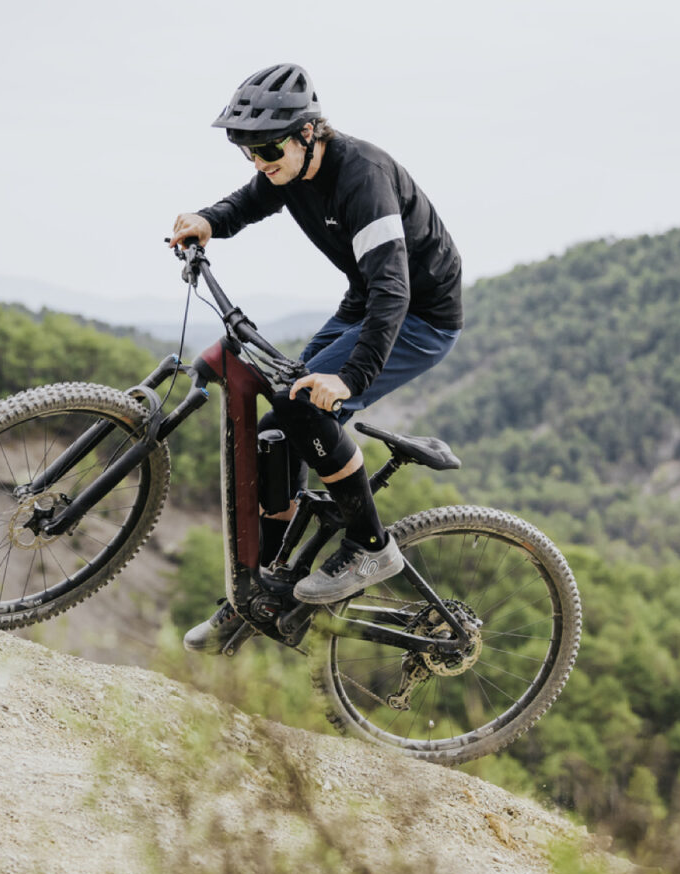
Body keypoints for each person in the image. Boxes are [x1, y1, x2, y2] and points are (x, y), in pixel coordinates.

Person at [172, 63, 463, 653]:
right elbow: (252, 200)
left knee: (306, 406)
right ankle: (261, 590)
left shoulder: (363, 178)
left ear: (309, 132)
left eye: (267, 149)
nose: (258, 161)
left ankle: (371, 548)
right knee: (277, 430)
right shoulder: (287, 168)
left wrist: (349, 377)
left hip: (418, 316)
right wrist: (209, 221)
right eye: (246, 150)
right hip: (365, 303)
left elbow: (394, 291)